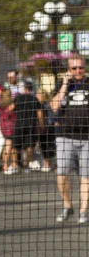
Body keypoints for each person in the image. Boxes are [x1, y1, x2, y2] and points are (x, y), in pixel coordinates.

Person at [50, 54, 89, 224]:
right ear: (68, 69)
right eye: (74, 68)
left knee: (86, 176)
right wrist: (65, 83)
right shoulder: (63, 85)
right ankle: (67, 206)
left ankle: (83, 211)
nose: (78, 71)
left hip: (87, 137)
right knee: (62, 173)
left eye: (81, 67)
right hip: (65, 136)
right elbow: (54, 106)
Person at [8, 78, 44, 172]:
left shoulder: (18, 98)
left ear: (24, 88)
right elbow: (40, 114)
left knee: (15, 146)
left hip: (19, 124)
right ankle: (27, 167)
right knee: (29, 147)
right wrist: (41, 125)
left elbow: (10, 109)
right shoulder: (34, 99)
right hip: (31, 125)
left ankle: (14, 165)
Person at [36, 88, 56, 172]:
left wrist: (41, 127)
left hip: (45, 127)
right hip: (51, 127)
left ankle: (47, 164)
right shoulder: (50, 103)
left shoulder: (42, 105)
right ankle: (49, 163)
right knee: (50, 145)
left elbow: (41, 117)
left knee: (45, 145)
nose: (36, 96)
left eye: (38, 94)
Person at [0, 87, 17, 174]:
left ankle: (10, 165)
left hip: (4, 127)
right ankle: (6, 165)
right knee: (9, 147)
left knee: (9, 146)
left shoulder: (1, 103)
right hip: (10, 128)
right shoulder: (11, 105)